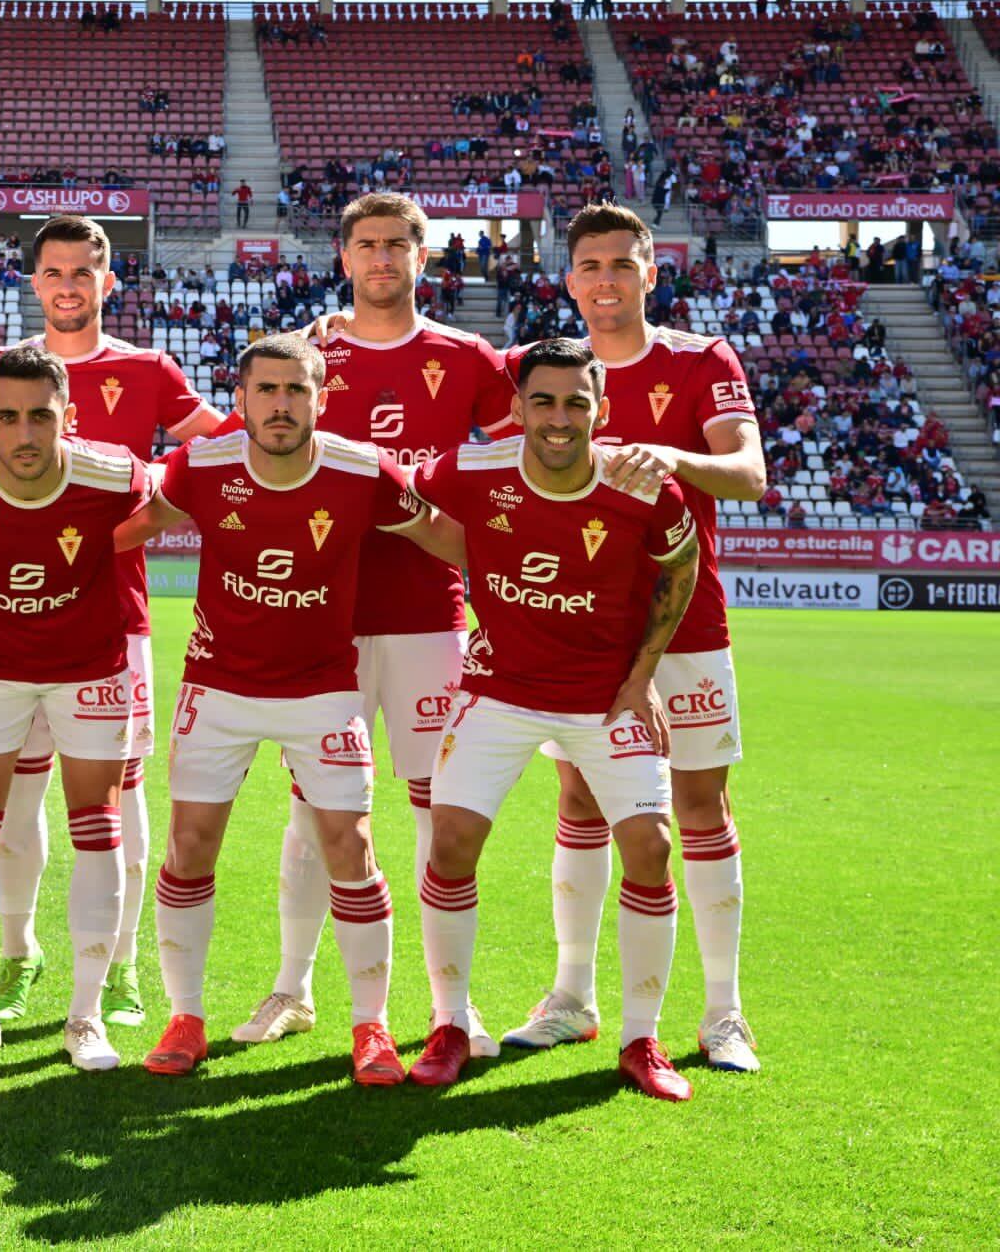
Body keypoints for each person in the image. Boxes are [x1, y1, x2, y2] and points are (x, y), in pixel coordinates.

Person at [117, 333, 463, 1084]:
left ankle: (370, 1026)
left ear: (320, 398)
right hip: (219, 686)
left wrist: (535, 590)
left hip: (323, 689)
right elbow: (126, 532)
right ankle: (187, 1015)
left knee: (353, 850)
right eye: (266, 390)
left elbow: (446, 537)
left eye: (296, 390)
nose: (280, 404)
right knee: (190, 845)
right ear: (240, 399)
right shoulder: (199, 465)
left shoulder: (362, 468)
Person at [227, 192, 516, 1056]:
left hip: (432, 616)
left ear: (423, 258)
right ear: (343, 257)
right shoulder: (307, 354)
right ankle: (292, 987)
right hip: (327, 618)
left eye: (397, 245)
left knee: (441, 811)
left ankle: (450, 1005)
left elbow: (514, 469)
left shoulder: (469, 357)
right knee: (318, 813)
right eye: (366, 245)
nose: (382, 259)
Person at [0, 215, 224, 1029]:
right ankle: (19, 954)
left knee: (118, 803)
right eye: (53, 271)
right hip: (9, 625)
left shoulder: (149, 369)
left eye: (83, 272)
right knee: (15, 810)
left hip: (112, 623)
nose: (67, 285)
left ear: (107, 282)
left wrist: (109, 534)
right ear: (33, 282)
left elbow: (216, 452)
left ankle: (117, 967)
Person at [501, 205, 766, 1072]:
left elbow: (751, 474)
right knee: (579, 801)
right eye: (590, 265)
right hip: (576, 635)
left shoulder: (700, 359)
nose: (606, 278)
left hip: (686, 625)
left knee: (700, 809)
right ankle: (572, 997)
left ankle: (723, 1014)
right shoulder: (542, 371)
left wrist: (669, 455)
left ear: (651, 271)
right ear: (569, 277)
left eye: (622, 262)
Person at [405, 338, 701, 1103]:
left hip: (605, 697)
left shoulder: (643, 487)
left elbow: (682, 562)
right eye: (544, 401)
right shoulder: (472, 468)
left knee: (650, 846)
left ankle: (641, 1037)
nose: (560, 417)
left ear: (601, 410)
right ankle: (449, 1023)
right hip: (498, 688)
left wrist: (643, 676)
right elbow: (404, 498)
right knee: (452, 838)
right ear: (518, 409)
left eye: (577, 402)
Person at [0, 347, 149, 1072]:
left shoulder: (113, 473)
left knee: (98, 830)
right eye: (6, 417)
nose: (23, 435)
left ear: (68, 417)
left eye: (40, 416)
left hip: (91, 672)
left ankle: (85, 1017)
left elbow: (168, 508)